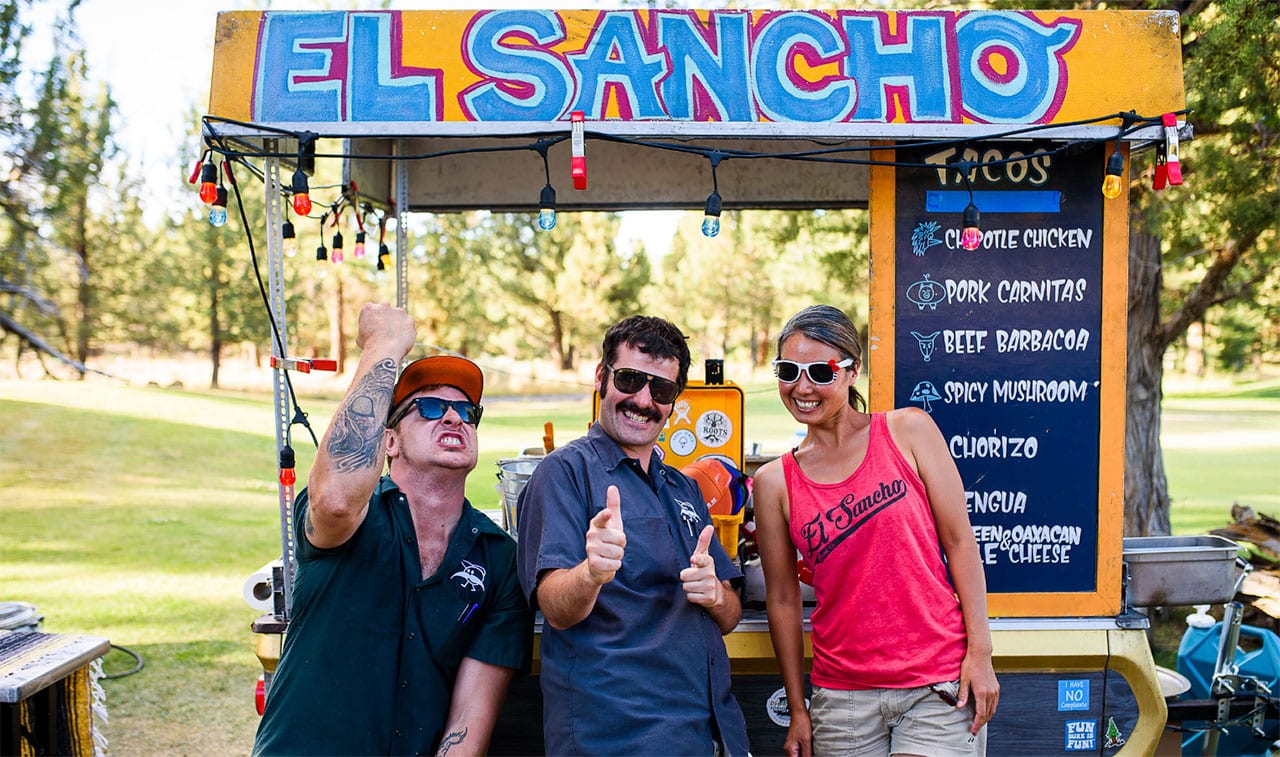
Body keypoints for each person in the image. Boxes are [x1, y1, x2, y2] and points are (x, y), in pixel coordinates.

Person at [253, 302, 532, 757]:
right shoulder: (356, 515)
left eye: (467, 411)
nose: (454, 417)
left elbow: (469, 717)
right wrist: (384, 344)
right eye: (430, 407)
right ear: (389, 440)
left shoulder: (496, 557)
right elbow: (337, 500)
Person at [753, 304, 999, 757]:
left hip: (936, 685)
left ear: (852, 371)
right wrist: (797, 707)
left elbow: (961, 543)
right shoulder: (774, 484)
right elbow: (783, 599)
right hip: (842, 699)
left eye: (820, 372)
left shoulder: (909, 431)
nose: (802, 387)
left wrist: (980, 654)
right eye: (789, 370)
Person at [516, 315, 750, 756]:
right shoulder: (564, 473)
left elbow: (730, 614)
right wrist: (591, 573)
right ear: (602, 377)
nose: (643, 400)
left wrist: (716, 595)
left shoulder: (683, 488)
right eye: (629, 380)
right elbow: (555, 607)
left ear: (674, 399)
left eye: (661, 390)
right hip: (618, 738)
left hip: (711, 732)